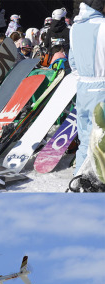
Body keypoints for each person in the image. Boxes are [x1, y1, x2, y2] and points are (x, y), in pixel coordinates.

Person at [69, 0, 105, 175]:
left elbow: (73, 62)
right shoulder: (103, 26)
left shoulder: (75, 28)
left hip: (83, 89)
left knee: (85, 140)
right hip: (102, 88)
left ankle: (79, 180)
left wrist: (83, 79)